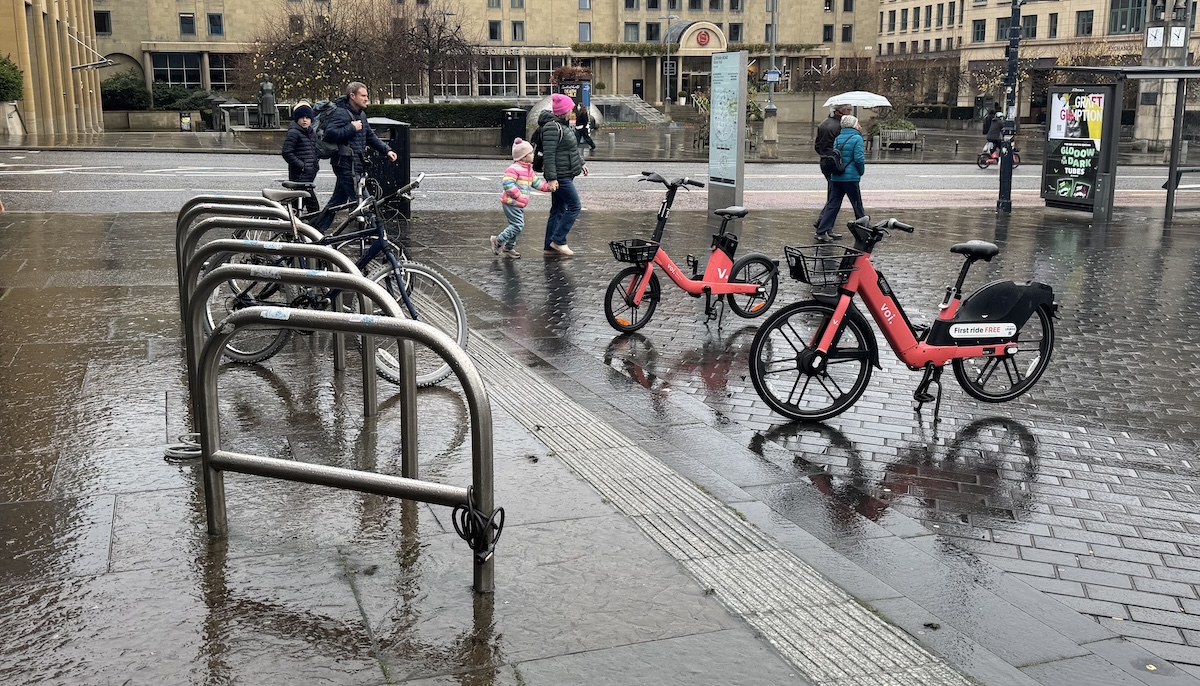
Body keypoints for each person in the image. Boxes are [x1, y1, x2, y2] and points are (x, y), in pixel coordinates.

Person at [317, 81, 397, 231]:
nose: (366, 99)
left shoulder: (361, 114)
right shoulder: (341, 113)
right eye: (363, 96)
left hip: (355, 165)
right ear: (352, 96)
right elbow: (329, 134)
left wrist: (386, 150)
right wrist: (351, 128)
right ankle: (379, 235)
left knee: (336, 203)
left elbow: (370, 136)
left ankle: (314, 230)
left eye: (366, 96)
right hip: (345, 165)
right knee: (365, 203)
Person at [540, 93, 588, 257]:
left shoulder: (563, 126)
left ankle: (549, 247)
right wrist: (552, 178)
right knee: (575, 206)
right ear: (563, 111)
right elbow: (549, 155)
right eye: (570, 109)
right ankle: (559, 240)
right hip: (560, 176)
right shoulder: (552, 128)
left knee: (558, 209)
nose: (572, 112)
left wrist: (581, 163)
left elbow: (570, 149)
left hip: (565, 173)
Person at [490, 137, 549, 259]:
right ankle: (498, 240)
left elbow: (536, 183)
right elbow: (507, 184)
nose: (533, 155)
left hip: (518, 203)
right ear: (523, 157)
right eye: (531, 153)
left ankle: (508, 247)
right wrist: (519, 196)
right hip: (511, 202)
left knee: (516, 225)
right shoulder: (514, 169)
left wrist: (547, 187)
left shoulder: (528, 170)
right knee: (517, 225)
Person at [814, 114, 866, 242]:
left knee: (833, 205)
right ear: (854, 125)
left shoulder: (838, 138)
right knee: (857, 205)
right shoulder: (857, 138)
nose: (860, 126)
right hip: (851, 177)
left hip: (837, 176)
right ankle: (864, 230)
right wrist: (861, 171)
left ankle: (821, 231)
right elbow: (859, 159)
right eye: (858, 124)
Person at [813, 103, 854, 231]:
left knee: (833, 194)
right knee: (834, 196)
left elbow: (817, 146)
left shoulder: (823, 124)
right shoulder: (840, 127)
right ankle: (823, 223)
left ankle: (824, 223)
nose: (849, 113)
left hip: (825, 161)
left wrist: (824, 155)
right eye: (848, 110)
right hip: (835, 163)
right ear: (839, 112)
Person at [281, 104, 320, 213]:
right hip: (299, 176)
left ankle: (291, 221)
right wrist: (301, 165)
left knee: (297, 206)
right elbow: (287, 152)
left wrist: (315, 166)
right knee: (313, 208)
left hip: (308, 176)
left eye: (307, 118)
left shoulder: (311, 133)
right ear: (297, 119)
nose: (305, 120)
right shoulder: (294, 133)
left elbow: (313, 151)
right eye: (302, 118)